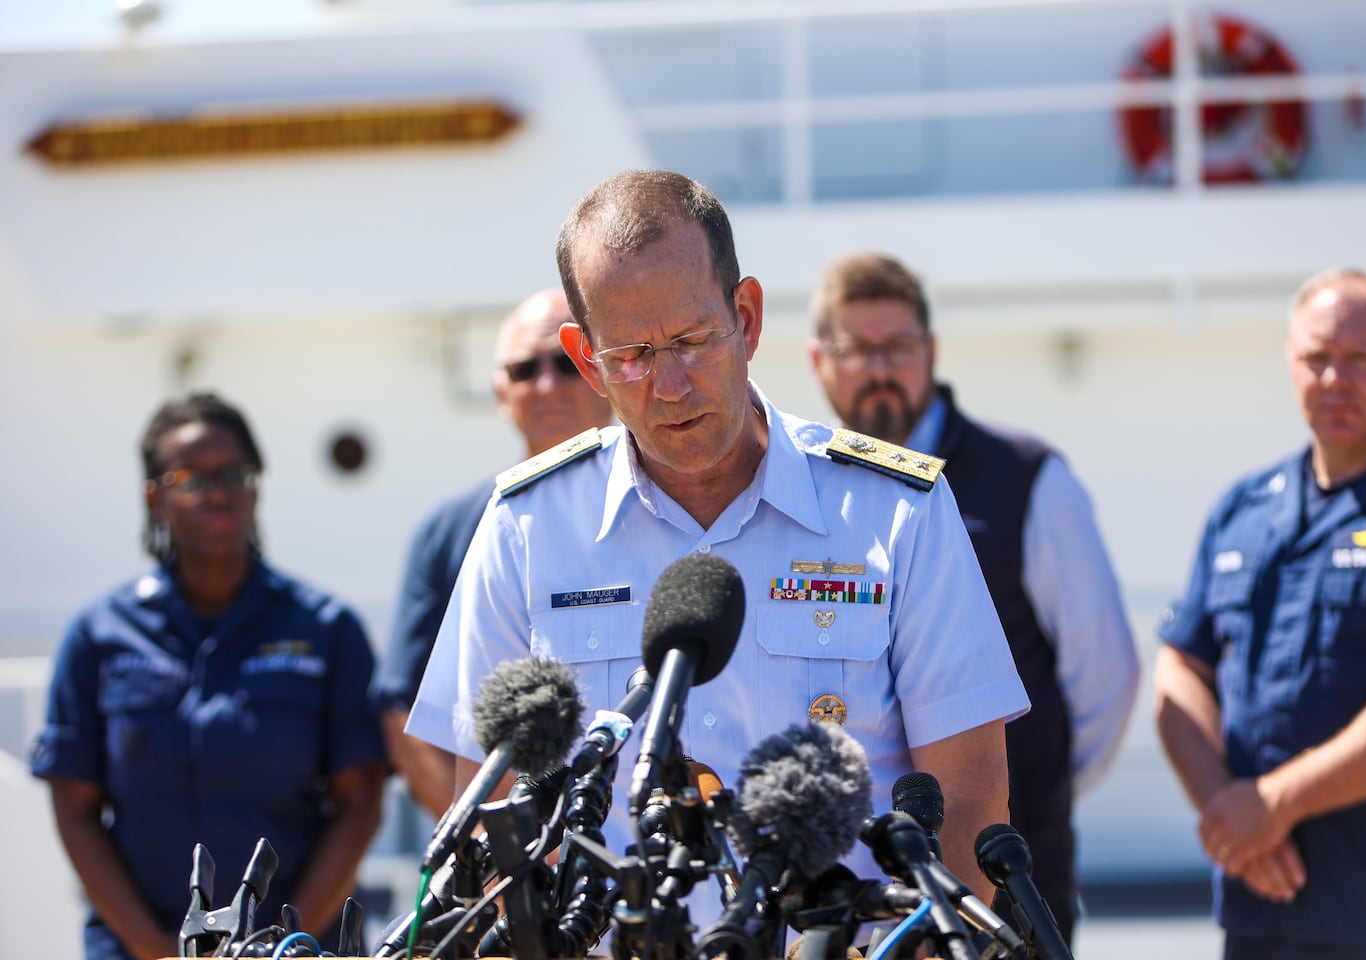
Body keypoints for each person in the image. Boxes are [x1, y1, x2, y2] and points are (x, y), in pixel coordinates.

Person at [405, 170, 1031, 904]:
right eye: (632, 356)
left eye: (692, 340)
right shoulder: (525, 527)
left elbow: (968, 795)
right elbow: (492, 819)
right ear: (586, 360)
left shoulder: (897, 513)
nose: (669, 385)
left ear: (749, 317)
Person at [806, 251, 1140, 943]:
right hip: (857, 895)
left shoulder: (1028, 479)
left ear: (931, 353)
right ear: (818, 362)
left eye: (898, 347)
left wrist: (1030, 788)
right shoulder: (802, 493)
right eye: (857, 349)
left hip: (1012, 881)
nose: (879, 369)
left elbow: (1105, 672)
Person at [29, 392, 387, 960]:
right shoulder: (98, 635)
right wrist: (153, 948)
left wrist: (278, 946)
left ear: (257, 487)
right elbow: (75, 809)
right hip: (137, 949)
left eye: (235, 474)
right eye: (193, 478)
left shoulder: (327, 628)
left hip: (298, 948)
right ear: (156, 497)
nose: (218, 492)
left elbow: (360, 802)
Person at [1154, 268, 1366, 959]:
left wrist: (1272, 805)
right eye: (1317, 358)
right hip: (1259, 908)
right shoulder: (1244, 508)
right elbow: (1180, 666)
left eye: (1363, 360)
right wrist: (1229, 813)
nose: (1335, 378)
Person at [372, 289, 612, 818]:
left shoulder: (669, 508)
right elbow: (404, 712)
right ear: (501, 392)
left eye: (567, 364)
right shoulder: (448, 532)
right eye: (526, 369)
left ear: (605, 374)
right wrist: (490, 852)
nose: (546, 385)